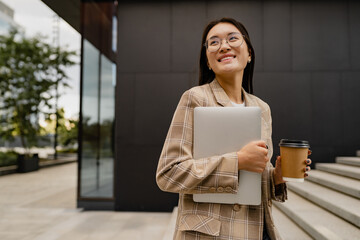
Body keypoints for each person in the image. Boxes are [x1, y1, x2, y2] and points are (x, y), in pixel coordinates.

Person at [156, 17, 312, 240]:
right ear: (208, 61)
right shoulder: (195, 98)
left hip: (258, 231)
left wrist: (276, 177)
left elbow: (251, 183)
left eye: (232, 38)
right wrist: (237, 161)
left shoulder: (262, 108)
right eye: (214, 42)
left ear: (249, 54)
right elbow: (169, 174)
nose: (224, 46)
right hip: (210, 234)